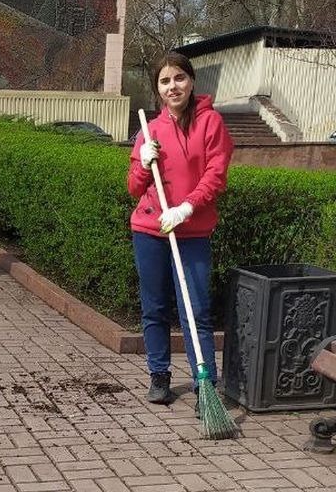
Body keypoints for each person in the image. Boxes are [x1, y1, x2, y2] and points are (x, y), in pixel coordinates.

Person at [127, 52, 234, 412]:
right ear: (157, 88)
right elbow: (133, 187)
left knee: (196, 312)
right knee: (155, 308)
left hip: (191, 232)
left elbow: (215, 175)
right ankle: (159, 377)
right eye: (164, 81)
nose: (173, 86)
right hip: (150, 228)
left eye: (179, 78)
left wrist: (187, 207)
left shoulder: (211, 123)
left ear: (191, 81)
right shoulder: (150, 129)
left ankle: (206, 385)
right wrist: (143, 162)